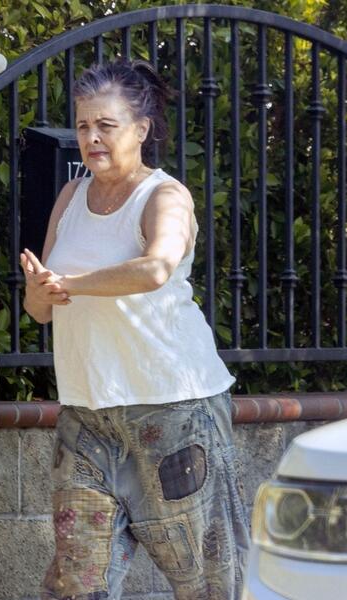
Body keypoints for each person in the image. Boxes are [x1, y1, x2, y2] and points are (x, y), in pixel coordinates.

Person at [20, 59, 250, 600]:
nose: (92, 138)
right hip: (87, 415)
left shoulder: (164, 197)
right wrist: (41, 290)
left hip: (173, 410)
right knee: (77, 584)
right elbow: (41, 310)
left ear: (141, 129)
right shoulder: (70, 197)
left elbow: (155, 268)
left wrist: (73, 282)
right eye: (83, 126)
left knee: (210, 581)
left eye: (107, 125)